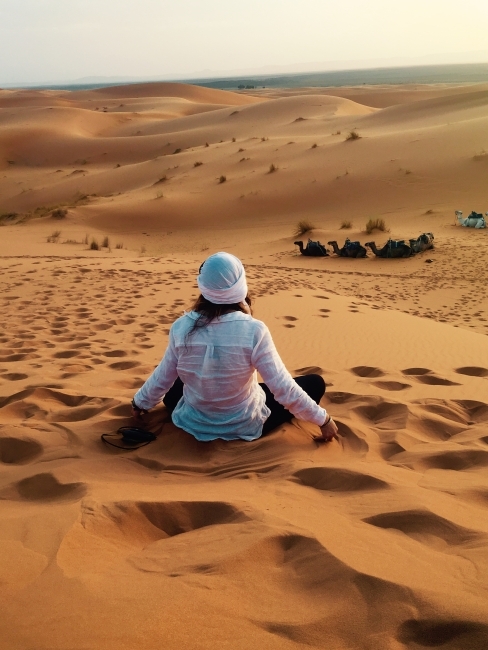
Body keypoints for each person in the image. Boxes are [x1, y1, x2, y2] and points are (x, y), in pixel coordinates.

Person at [131, 252, 338, 443]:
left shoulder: (181, 326)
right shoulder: (255, 330)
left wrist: (140, 403)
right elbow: (282, 387)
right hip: (243, 423)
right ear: (240, 285)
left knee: (174, 380)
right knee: (315, 383)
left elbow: (162, 376)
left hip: (193, 421)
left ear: (203, 286)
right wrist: (324, 420)